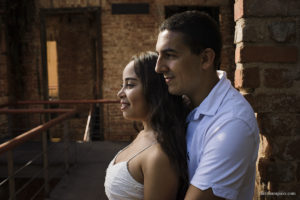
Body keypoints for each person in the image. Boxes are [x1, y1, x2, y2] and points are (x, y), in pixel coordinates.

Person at [155, 11, 259, 200]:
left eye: (169, 55)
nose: (159, 67)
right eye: (158, 55)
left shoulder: (232, 124)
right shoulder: (183, 104)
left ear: (205, 59)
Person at [104, 51, 189, 200]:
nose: (120, 93)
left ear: (155, 90)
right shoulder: (144, 133)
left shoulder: (159, 156)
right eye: (122, 85)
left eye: (130, 85)